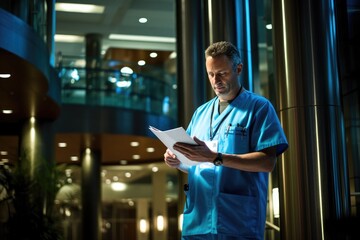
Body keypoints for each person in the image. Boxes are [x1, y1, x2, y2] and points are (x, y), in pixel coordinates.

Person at [164, 41, 288, 240]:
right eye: (211, 74)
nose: (216, 80)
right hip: (198, 221)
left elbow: (267, 162)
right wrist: (177, 160)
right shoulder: (201, 113)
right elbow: (194, 163)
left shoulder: (259, 108)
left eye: (222, 73)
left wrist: (217, 158)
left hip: (237, 220)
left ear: (238, 68)